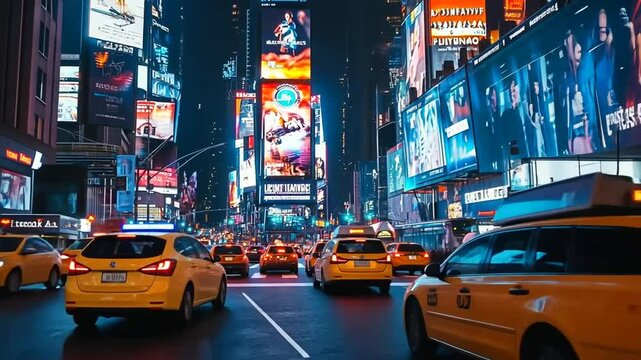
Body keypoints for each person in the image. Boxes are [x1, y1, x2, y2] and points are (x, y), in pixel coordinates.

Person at [501, 78, 529, 158]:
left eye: (514, 90)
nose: (513, 94)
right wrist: (516, 159)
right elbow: (512, 140)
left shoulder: (527, 108)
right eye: (511, 92)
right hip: (521, 157)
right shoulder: (507, 115)